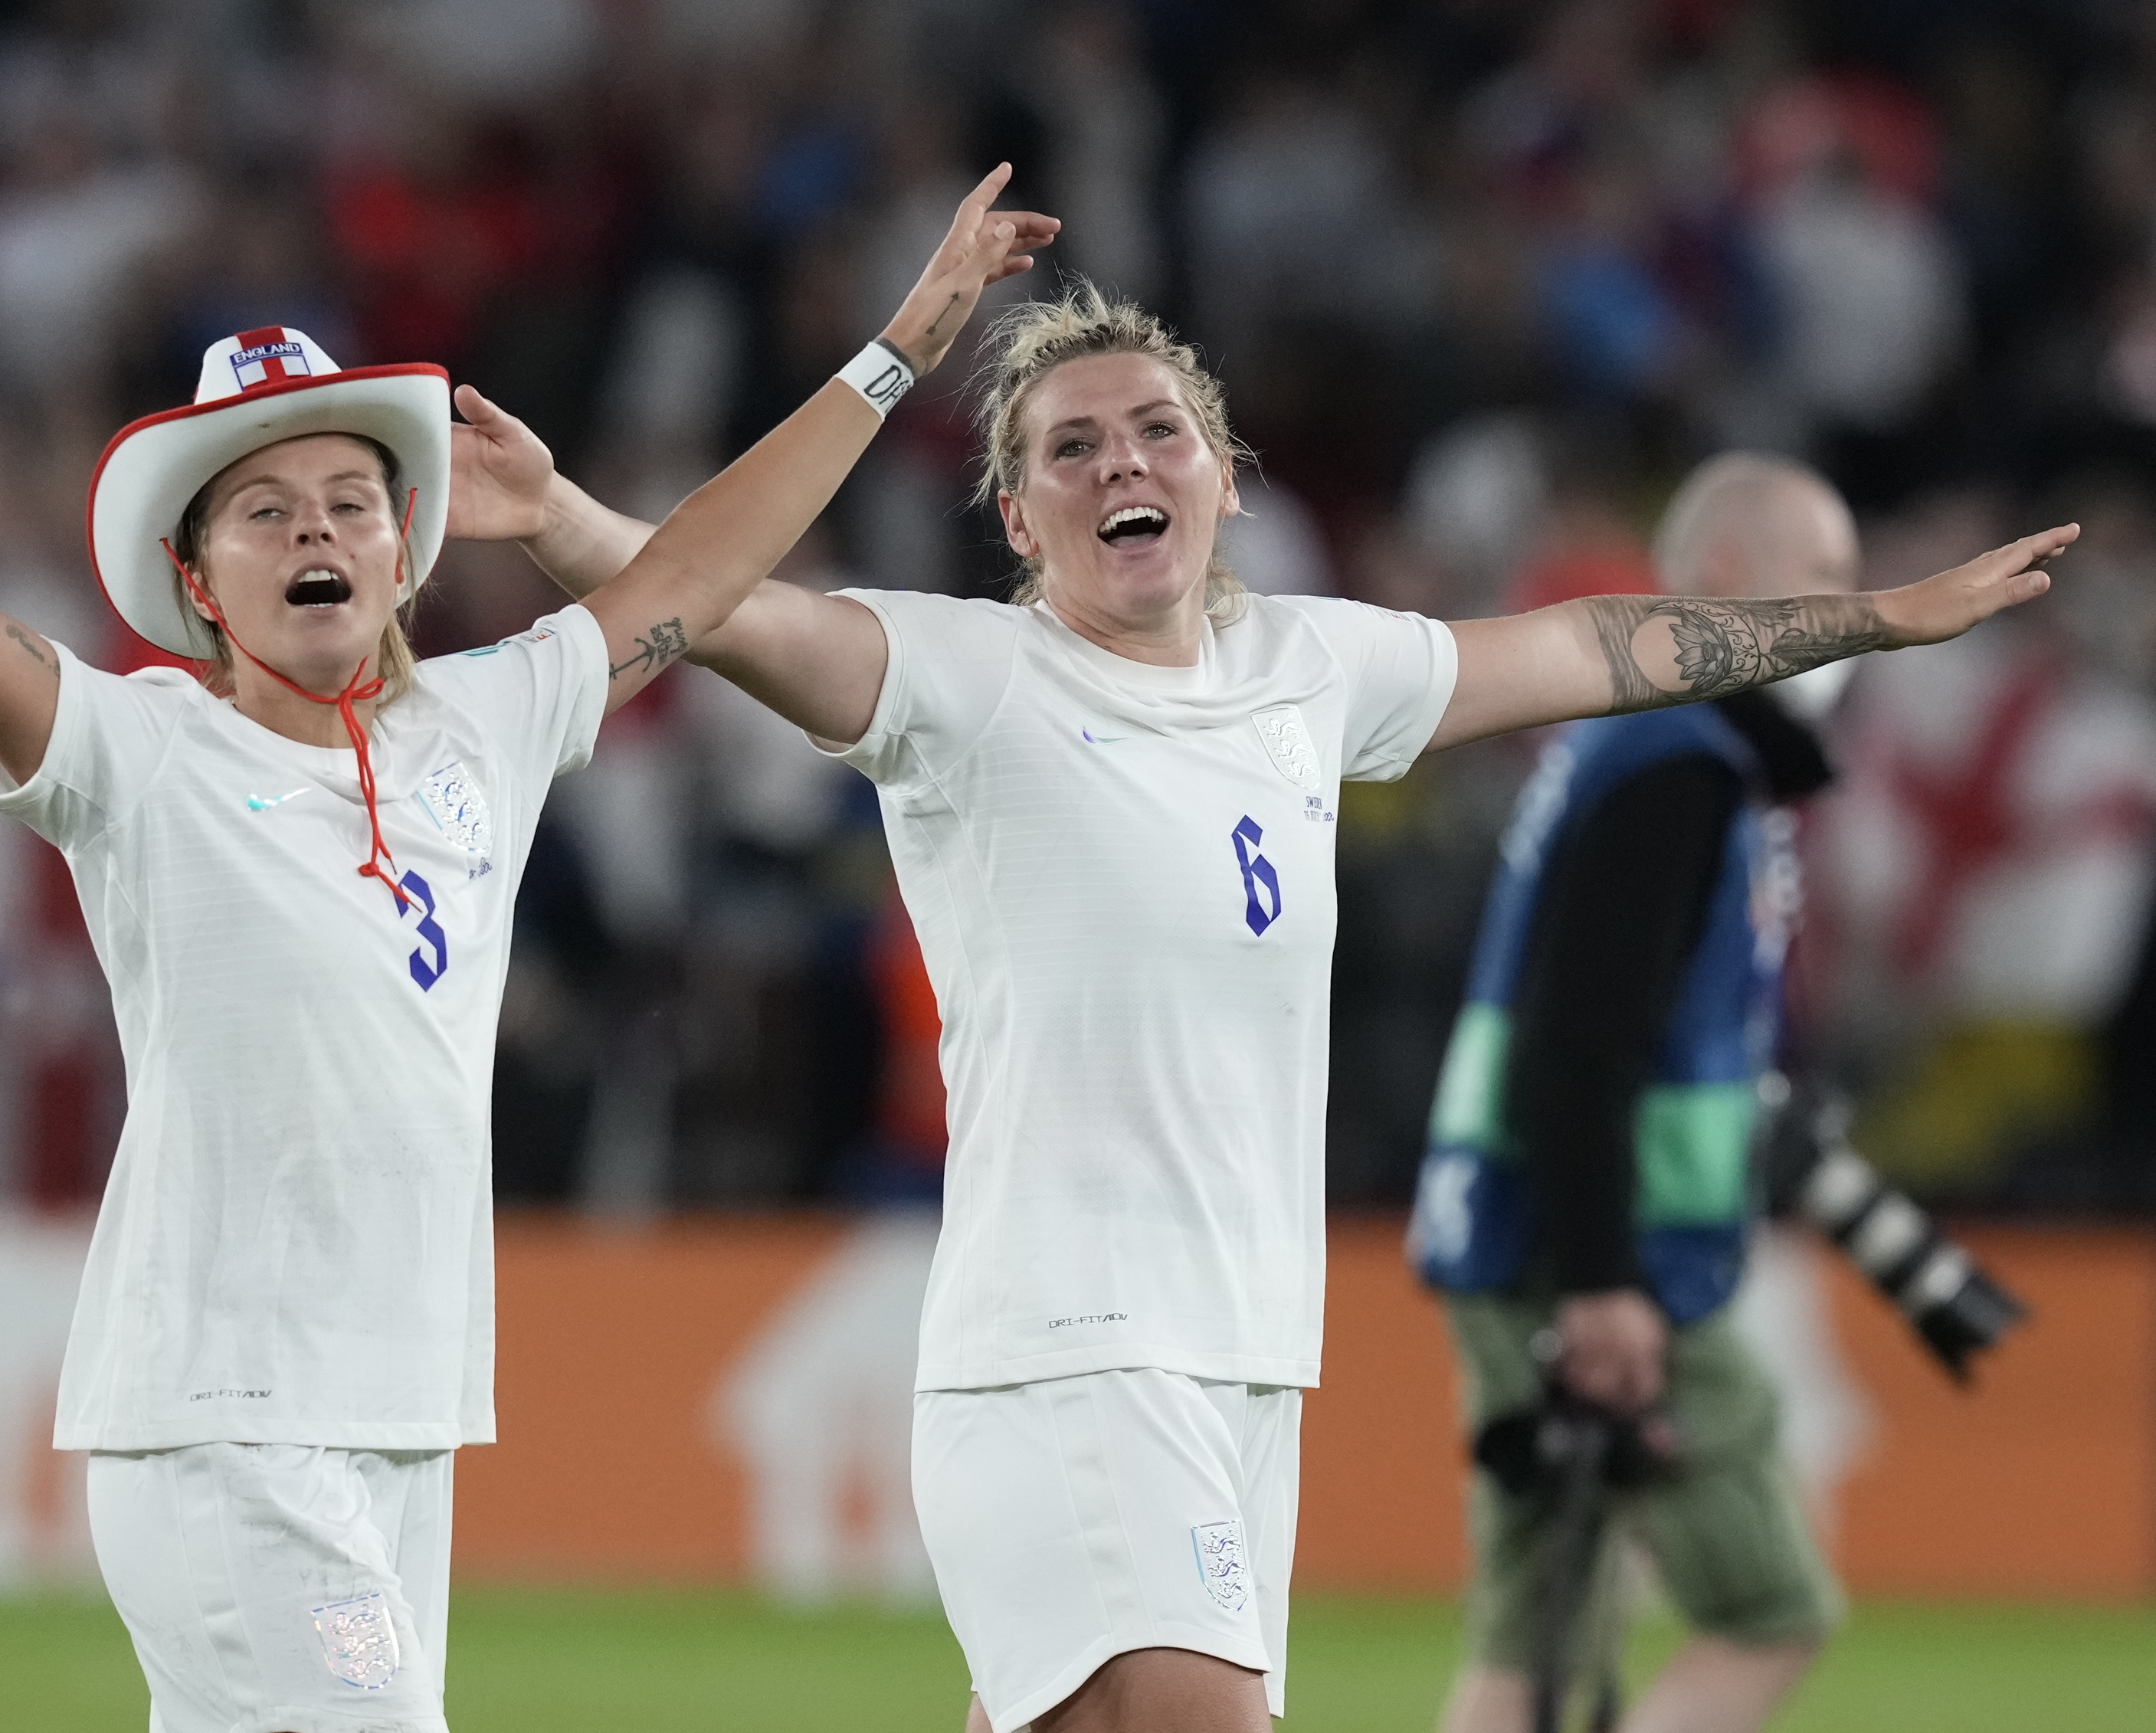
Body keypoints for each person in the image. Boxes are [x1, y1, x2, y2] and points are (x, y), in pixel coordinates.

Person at [447, 290, 2071, 1732]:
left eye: (1157, 431)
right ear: (1019, 518)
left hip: (1239, 1357)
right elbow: (733, 613)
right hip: (1073, 1347)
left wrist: (1874, 618)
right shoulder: (959, 680)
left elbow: (1595, 645)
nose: (1120, 465)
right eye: (1069, 450)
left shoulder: (1307, 670)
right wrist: (566, 520)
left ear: (1222, 479)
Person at [0, 171, 1054, 1733]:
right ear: (196, 583)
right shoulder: (135, 749)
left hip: (401, 1415)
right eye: (266, 511)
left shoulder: (486, 727)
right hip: (226, 1420)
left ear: (402, 553)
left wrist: (905, 339)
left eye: (350, 503)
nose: (316, 531)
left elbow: (696, 577)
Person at [1410, 454, 1864, 1733]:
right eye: (1825, 572)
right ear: (1726, 574)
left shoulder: (1632, 742)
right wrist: (1608, 1275)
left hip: (1520, 1227)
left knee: (1539, 1629)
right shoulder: (1685, 760)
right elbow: (1583, 1041)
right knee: (1769, 1608)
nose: (1853, 606)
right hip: (1591, 1250)